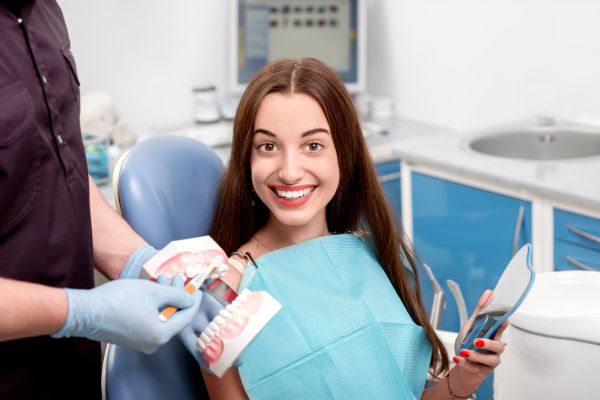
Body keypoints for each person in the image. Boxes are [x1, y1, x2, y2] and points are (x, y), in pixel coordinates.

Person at [201, 58, 507, 399]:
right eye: (268, 146)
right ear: (247, 159)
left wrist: (465, 377)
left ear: (344, 155)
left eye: (313, 146)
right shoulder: (223, 292)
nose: (289, 171)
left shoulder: (372, 254)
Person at [0, 1, 214, 398]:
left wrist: (142, 264)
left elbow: (59, 174)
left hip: (70, 373)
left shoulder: (43, 12)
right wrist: (81, 312)